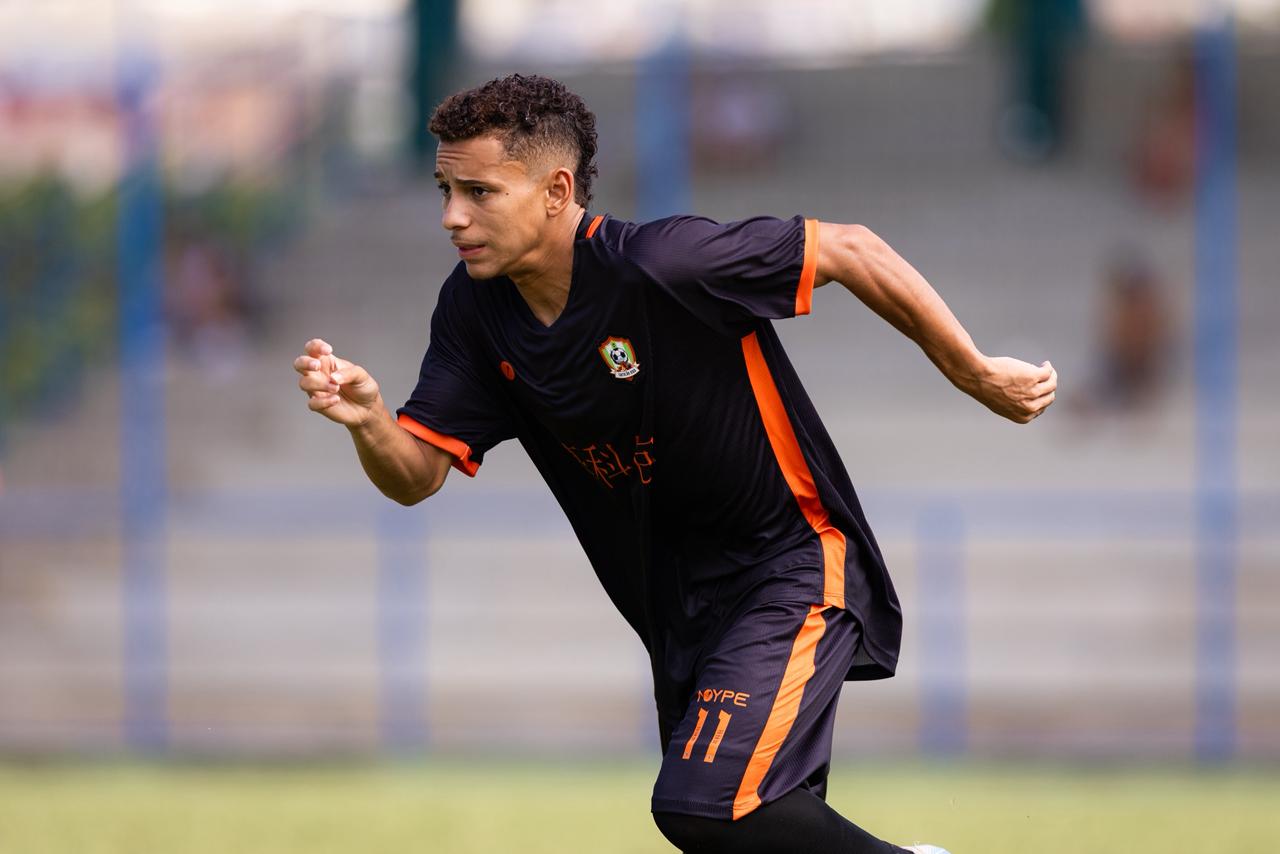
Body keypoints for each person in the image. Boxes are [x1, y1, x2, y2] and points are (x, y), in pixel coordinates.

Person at [294, 74, 1056, 854]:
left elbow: (850, 248)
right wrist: (370, 419)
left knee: (706, 804)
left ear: (557, 191)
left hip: (790, 564)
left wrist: (973, 371)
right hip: (676, 610)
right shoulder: (473, 311)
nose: (452, 215)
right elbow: (416, 474)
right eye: (446, 190)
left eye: (479, 191)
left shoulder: (662, 264)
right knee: (738, 828)